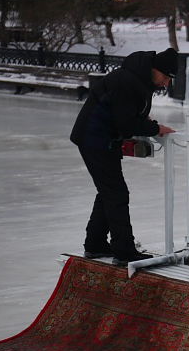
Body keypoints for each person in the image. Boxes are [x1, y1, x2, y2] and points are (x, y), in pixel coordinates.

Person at [70, 48, 178, 266]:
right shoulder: (128, 81)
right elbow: (125, 124)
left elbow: (126, 112)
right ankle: (124, 250)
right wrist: (155, 128)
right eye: (165, 77)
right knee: (116, 194)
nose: (166, 84)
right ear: (154, 69)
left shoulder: (139, 78)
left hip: (101, 140)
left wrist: (142, 118)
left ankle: (96, 244)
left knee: (110, 191)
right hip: (95, 140)